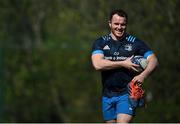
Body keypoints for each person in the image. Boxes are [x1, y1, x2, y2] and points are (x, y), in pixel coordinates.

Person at [91, 9, 158, 123]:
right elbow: (97, 64)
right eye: (116, 24)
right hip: (107, 95)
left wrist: (143, 76)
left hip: (126, 93)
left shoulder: (135, 43)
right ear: (110, 24)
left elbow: (154, 60)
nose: (119, 27)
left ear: (126, 25)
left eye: (123, 24)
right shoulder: (100, 42)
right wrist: (123, 63)